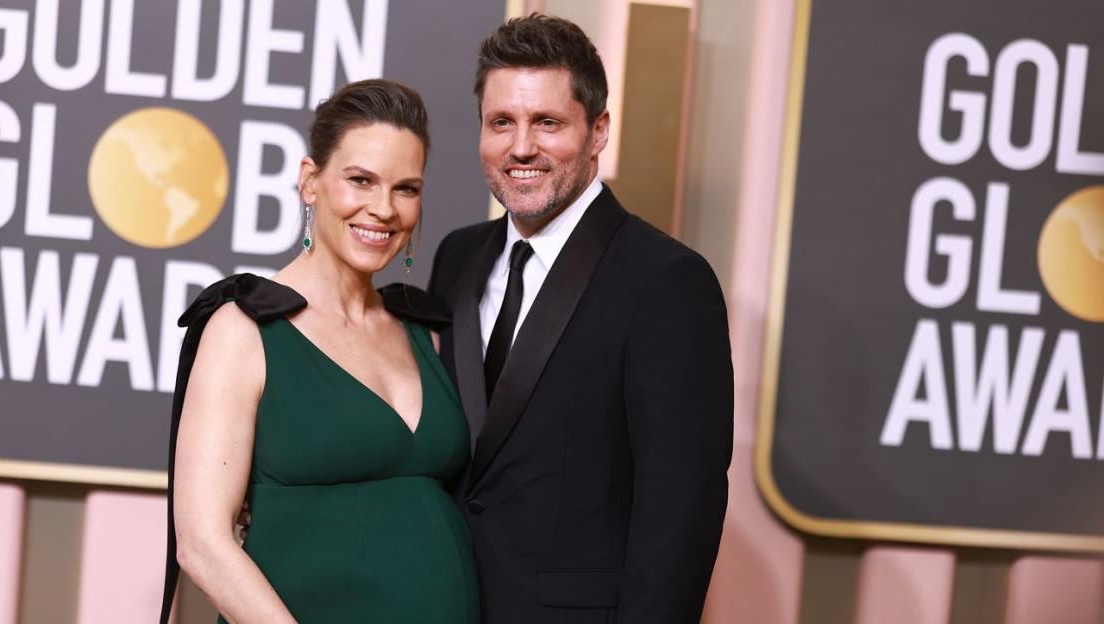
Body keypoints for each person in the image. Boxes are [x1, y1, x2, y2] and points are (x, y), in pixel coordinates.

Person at [427, 15, 733, 623]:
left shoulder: (667, 281)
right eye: (501, 123)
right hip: (446, 605)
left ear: (598, 131)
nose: (520, 147)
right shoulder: (457, 255)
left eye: (547, 122)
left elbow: (680, 509)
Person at [159, 79, 480, 624]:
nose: (383, 209)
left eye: (406, 188)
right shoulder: (244, 330)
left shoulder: (425, 329)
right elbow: (202, 544)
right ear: (311, 182)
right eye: (361, 181)